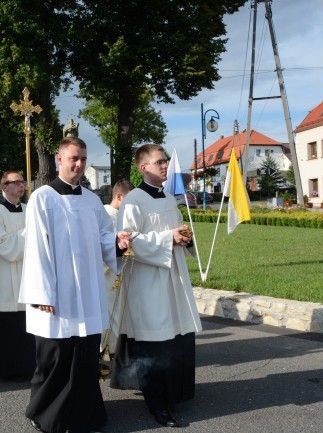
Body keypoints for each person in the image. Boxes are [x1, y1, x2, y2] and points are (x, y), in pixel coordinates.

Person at [18, 137, 131, 433]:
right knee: (54, 359)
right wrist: (41, 293)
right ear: (59, 159)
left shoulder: (92, 201)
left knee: (83, 357)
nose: (79, 164)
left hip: (87, 293)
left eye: (82, 158)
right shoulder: (42, 198)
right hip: (56, 295)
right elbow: (35, 250)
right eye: (73, 158)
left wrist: (117, 244)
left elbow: (105, 237)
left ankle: (84, 415)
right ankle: (44, 412)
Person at [111, 144, 201, 428]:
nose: (165, 166)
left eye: (165, 161)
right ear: (143, 167)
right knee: (154, 343)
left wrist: (184, 237)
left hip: (173, 278)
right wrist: (168, 238)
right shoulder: (134, 201)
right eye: (159, 162)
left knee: (174, 338)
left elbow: (174, 230)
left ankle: (174, 394)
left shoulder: (168, 198)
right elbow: (127, 242)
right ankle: (157, 403)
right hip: (147, 283)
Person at [0, 170, 35, 382]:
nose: (21, 186)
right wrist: (28, 235)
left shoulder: (29, 210)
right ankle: (8, 368)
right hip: (4, 276)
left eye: (22, 182)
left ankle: (29, 366)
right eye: (15, 182)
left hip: (27, 273)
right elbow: (3, 245)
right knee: (8, 324)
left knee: (26, 324)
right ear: (4, 187)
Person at [102, 179, 133, 353]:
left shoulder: (123, 217)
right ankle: (109, 353)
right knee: (110, 315)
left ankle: (120, 351)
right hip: (107, 275)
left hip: (123, 273)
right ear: (119, 196)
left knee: (121, 316)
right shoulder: (104, 216)